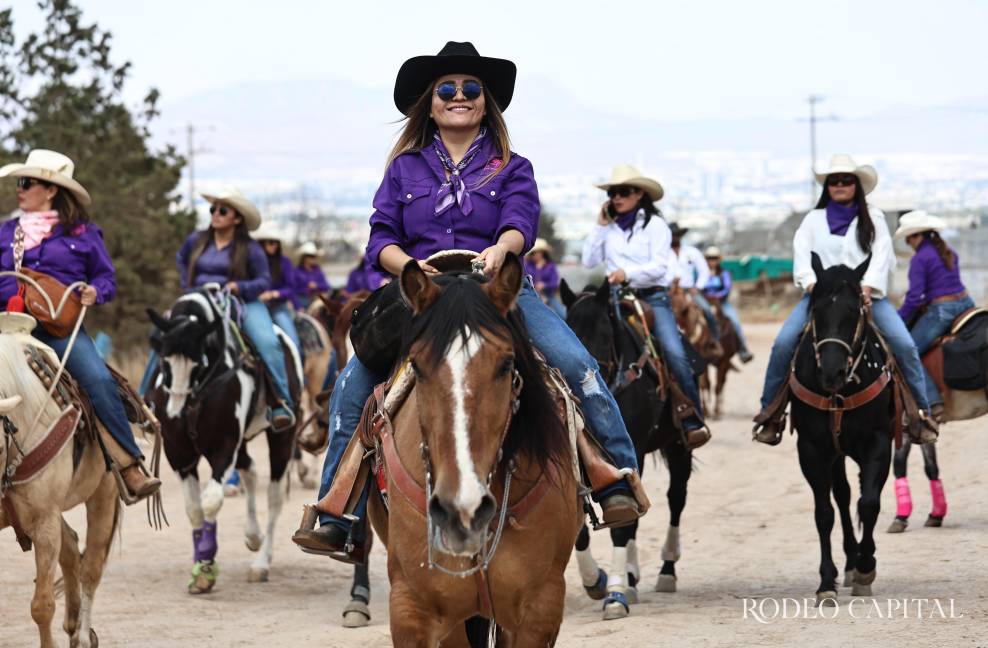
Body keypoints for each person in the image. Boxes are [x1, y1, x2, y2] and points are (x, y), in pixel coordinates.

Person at [293, 42, 644, 557]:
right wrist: (409, 267)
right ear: (430, 103)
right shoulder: (404, 169)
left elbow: (519, 223)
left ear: (486, 102)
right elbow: (379, 239)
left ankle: (612, 476)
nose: (460, 95)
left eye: (471, 88)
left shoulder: (512, 166)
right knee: (351, 386)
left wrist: (502, 251)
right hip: (421, 297)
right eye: (447, 89)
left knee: (575, 362)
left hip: (496, 291)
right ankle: (337, 509)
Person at [0, 149, 160, 499]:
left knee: (99, 379)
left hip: (58, 329)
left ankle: (129, 465)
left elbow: (107, 278)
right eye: (20, 182)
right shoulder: (7, 231)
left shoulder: (84, 234)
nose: (20, 189)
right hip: (6, 326)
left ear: (51, 190)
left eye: (27, 183)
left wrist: (94, 292)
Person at [752, 154, 938, 445]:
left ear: (856, 185)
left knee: (904, 345)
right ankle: (771, 413)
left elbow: (881, 254)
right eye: (833, 181)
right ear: (827, 187)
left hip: (865, 296)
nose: (839, 185)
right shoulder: (812, 220)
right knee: (784, 342)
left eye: (846, 180)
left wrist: (868, 287)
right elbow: (802, 255)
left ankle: (921, 414)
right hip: (822, 297)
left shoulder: (873, 217)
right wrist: (810, 283)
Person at [582, 163, 712, 448]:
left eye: (624, 192)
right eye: (613, 192)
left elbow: (659, 266)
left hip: (652, 298)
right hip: (615, 299)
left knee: (676, 352)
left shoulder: (656, 226)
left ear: (640, 194)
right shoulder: (609, 228)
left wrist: (626, 273)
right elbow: (589, 260)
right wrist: (600, 226)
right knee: (588, 342)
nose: (617, 197)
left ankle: (692, 417)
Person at [175, 188, 296, 430]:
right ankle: (149, 401)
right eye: (213, 209)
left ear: (237, 218)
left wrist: (238, 286)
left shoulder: (250, 249)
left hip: (241, 302)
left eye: (222, 210)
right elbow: (181, 259)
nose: (215, 214)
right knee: (167, 334)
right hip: (199, 299)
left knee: (267, 342)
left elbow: (263, 281)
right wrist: (187, 287)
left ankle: (280, 402)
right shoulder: (197, 240)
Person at [894, 210, 974, 423]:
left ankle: (932, 401)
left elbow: (913, 298)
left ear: (915, 236)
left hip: (943, 311)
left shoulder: (920, 258)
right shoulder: (947, 250)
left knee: (907, 352)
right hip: (966, 303)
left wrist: (897, 319)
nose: (908, 243)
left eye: (908, 238)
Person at [253, 224, 302, 352]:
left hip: (278, 307)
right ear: (262, 243)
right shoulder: (252, 262)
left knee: (293, 342)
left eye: (276, 242)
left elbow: (291, 288)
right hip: (256, 307)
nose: (274, 245)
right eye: (270, 242)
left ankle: (298, 369)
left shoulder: (284, 262)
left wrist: (274, 294)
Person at [669, 222, 720, 342]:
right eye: (673, 235)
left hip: (689, 291)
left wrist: (697, 287)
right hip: (668, 291)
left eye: (677, 235)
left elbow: (704, 271)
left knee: (707, 310)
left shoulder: (692, 252)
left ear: (681, 236)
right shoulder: (661, 252)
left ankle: (715, 340)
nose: (675, 237)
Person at [703, 247, 754, 363]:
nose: (712, 261)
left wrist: (716, 296)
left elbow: (727, 288)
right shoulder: (702, 273)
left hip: (722, 303)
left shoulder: (724, 273)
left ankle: (743, 350)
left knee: (734, 321)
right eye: (710, 258)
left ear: (718, 260)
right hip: (705, 302)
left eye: (714, 258)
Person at [524, 237, 566, 318]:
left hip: (548, 294)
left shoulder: (550, 265)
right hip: (531, 295)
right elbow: (525, 278)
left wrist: (544, 285)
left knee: (563, 314)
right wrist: (535, 285)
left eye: (538, 252)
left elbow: (554, 282)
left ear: (543, 253)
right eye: (534, 253)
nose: (536, 254)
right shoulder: (527, 265)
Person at [293, 241, 330, 309]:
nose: (313, 258)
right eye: (311, 256)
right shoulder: (297, 271)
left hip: (316, 299)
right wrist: (298, 306)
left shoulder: (318, 271)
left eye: (314, 256)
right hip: (302, 300)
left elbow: (327, 286)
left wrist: (316, 285)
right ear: (304, 258)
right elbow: (293, 289)